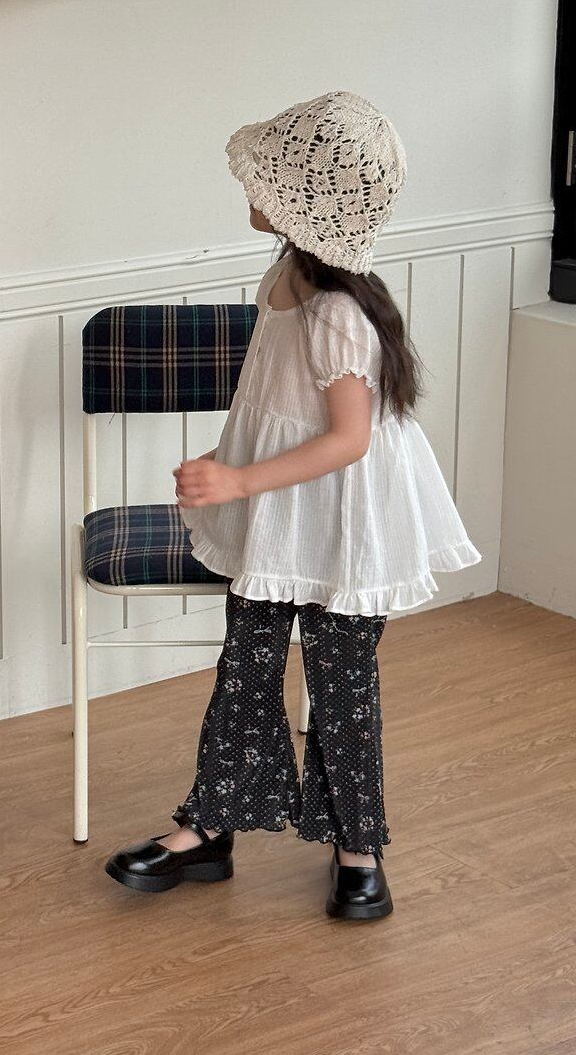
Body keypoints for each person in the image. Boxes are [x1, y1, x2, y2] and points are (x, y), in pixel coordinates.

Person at [105, 92, 480, 920]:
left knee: (342, 683)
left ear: (306, 206)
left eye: (269, 179)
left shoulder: (339, 313)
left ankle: (357, 846)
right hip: (281, 516)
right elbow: (275, 406)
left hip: (343, 522)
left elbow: (348, 440)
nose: (252, 187)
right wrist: (229, 464)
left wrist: (238, 483)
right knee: (246, 666)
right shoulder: (286, 278)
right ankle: (211, 824)